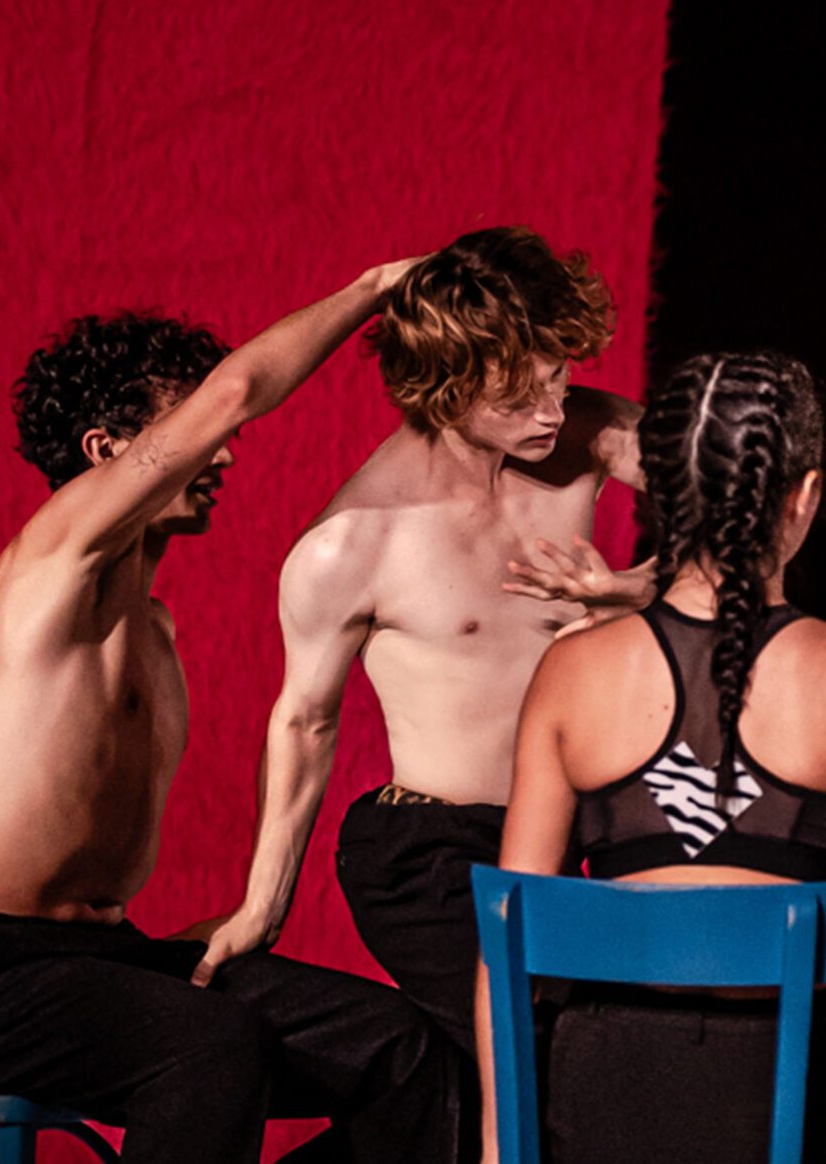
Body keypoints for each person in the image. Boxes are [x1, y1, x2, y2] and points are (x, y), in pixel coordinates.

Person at [0, 264, 457, 1164]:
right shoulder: (48, 564)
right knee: (209, 1043)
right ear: (106, 449)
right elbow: (236, 392)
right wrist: (375, 288)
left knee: (401, 1050)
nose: (223, 456)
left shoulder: (154, 629)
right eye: (196, 432)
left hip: (110, 962)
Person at [480, 351, 826, 1164]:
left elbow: (511, 931)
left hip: (602, 1115)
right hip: (794, 1106)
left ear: (660, 496)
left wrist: (501, 1148)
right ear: (804, 496)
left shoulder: (571, 674)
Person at [197, 227, 645, 1057]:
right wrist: (263, 903)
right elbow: (305, 722)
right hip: (435, 854)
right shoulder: (353, 542)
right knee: (553, 1057)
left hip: (571, 835)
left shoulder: (582, 434)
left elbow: (745, 519)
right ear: (445, 387)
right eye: (517, 399)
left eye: (557, 379)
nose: (550, 412)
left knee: (634, 1045)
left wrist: (633, 592)